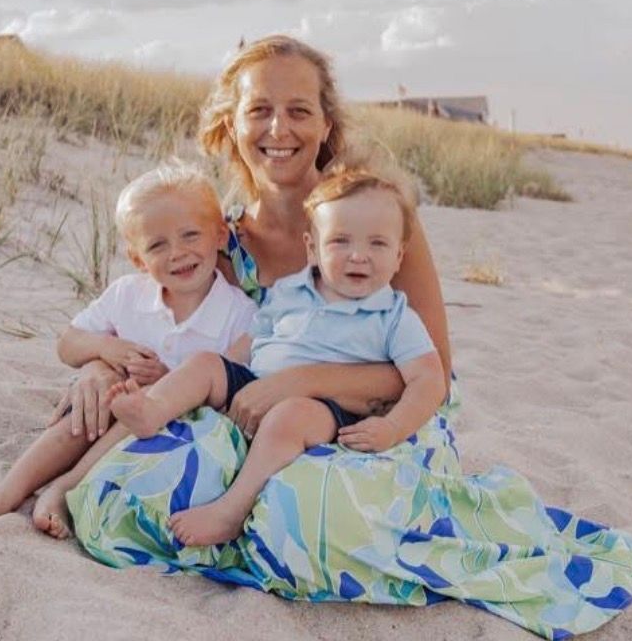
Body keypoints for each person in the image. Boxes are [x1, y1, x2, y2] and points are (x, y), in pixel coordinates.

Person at [64, 36, 632, 640]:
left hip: (385, 421)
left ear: (326, 123)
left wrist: (300, 381)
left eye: (299, 110)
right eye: (259, 109)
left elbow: (431, 373)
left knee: (308, 508)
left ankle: (260, 521)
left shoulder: (376, 224)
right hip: (249, 415)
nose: (278, 128)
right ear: (230, 123)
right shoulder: (220, 239)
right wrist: (101, 365)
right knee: (126, 491)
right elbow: (175, 331)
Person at [104, 170, 444, 546]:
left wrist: (393, 427)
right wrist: (221, 376)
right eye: (340, 241)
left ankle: (230, 511)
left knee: (289, 416)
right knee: (204, 363)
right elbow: (251, 341)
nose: (358, 255)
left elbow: (429, 379)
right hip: (259, 382)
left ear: (399, 255)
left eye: (377, 244)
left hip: (326, 409)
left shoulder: (393, 315)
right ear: (312, 248)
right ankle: (153, 410)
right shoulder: (290, 291)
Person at [0, 163, 256, 537]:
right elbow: (69, 343)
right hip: (106, 408)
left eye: (191, 235)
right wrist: (111, 350)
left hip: (173, 430)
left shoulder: (239, 313)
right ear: (139, 258)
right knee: (79, 418)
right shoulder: (128, 294)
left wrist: (167, 382)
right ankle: (4, 494)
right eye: (158, 245)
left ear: (220, 235)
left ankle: (66, 487)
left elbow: (228, 388)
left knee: (129, 410)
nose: (177, 253)